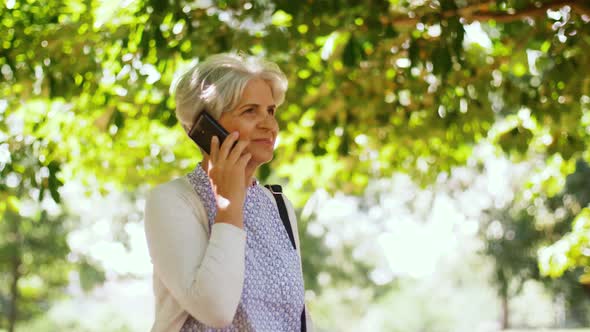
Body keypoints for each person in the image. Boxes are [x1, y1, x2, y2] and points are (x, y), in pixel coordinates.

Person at [143, 53, 313, 332]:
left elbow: (295, 316)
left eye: (271, 111)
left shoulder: (278, 205)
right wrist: (229, 205)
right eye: (250, 111)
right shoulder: (173, 201)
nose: (268, 125)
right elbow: (216, 309)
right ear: (206, 126)